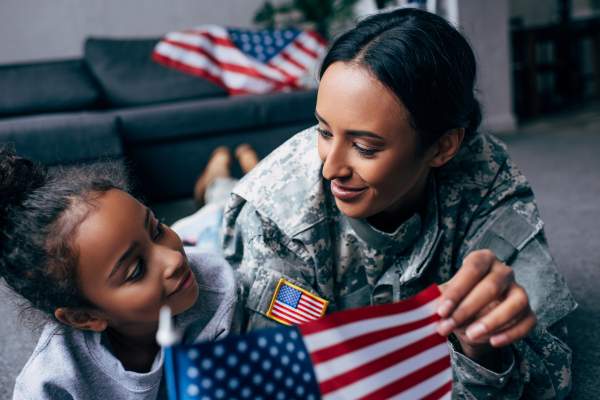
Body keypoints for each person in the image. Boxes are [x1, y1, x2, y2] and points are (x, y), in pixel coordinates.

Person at [220, 8, 576, 399]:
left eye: (365, 146)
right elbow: (277, 379)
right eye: (323, 130)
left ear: (443, 147)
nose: (331, 168)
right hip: (251, 209)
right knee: (212, 212)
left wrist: (483, 352)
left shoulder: (487, 178)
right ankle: (220, 179)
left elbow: (552, 374)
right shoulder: (274, 217)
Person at [0, 147, 239, 400]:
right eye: (136, 271)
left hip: (209, 239)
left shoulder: (220, 291)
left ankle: (217, 176)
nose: (175, 260)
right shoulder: (51, 382)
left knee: (223, 209)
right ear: (84, 316)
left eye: (157, 229)